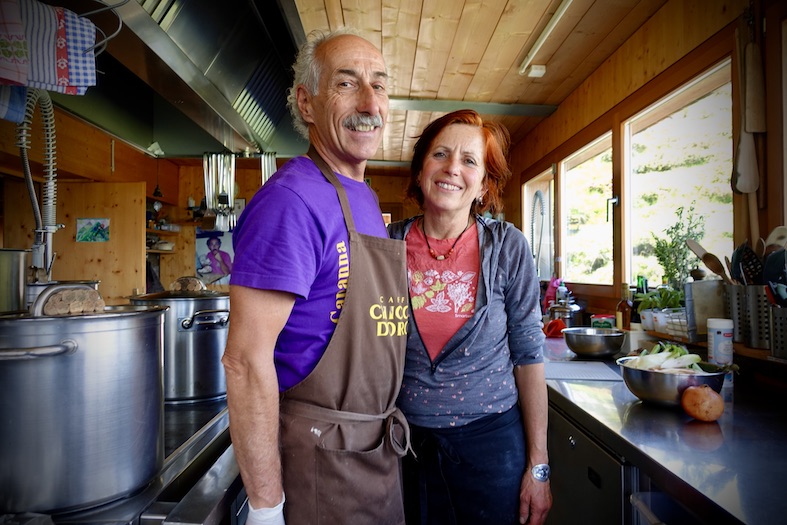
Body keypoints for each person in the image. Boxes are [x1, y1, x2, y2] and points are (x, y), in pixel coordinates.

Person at [222, 28, 410, 525]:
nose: (370, 101)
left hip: (372, 455)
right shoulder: (291, 201)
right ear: (307, 103)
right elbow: (244, 361)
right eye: (347, 84)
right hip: (320, 464)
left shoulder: (363, 197)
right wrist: (266, 508)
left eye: (380, 85)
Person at [387, 109, 552, 525]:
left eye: (469, 160)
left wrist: (539, 466)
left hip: (492, 450)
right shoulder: (386, 245)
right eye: (440, 154)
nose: (452, 169)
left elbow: (529, 356)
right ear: (421, 169)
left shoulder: (508, 246)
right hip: (403, 450)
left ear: (483, 185)